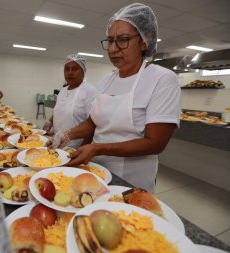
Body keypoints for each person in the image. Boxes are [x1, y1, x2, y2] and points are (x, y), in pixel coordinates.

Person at [49, 3, 181, 192]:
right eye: (110, 41)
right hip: (97, 170)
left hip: (132, 179)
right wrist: (67, 134)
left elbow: (155, 143)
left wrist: (98, 148)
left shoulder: (162, 79)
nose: (113, 49)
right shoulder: (107, 80)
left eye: (123, 40)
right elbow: (93, 122)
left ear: (145, 41)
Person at [43, 54, 96, 149]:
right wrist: (50, 121)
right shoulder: (63, 91)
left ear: (83, 71)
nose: (70, 73)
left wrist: (81, 150)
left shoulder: (90, 91)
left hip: (74, 147)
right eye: (66, 69)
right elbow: (61, 109)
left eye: (75, 69)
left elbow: (92, 126)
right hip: (55, 143)